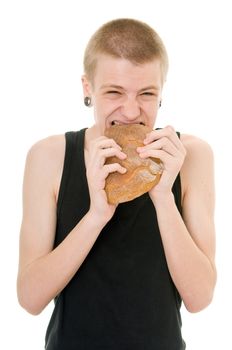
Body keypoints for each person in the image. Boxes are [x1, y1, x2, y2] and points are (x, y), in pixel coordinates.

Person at [17, 18, 217, 350]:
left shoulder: (192, 156)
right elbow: (29, 298)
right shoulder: (48, 157)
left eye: (146, 94)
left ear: (162, 91)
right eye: (114, 92)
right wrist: (97, 214)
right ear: (87, 89)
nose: (130, 111)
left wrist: (163, 196)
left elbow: (199, 298)